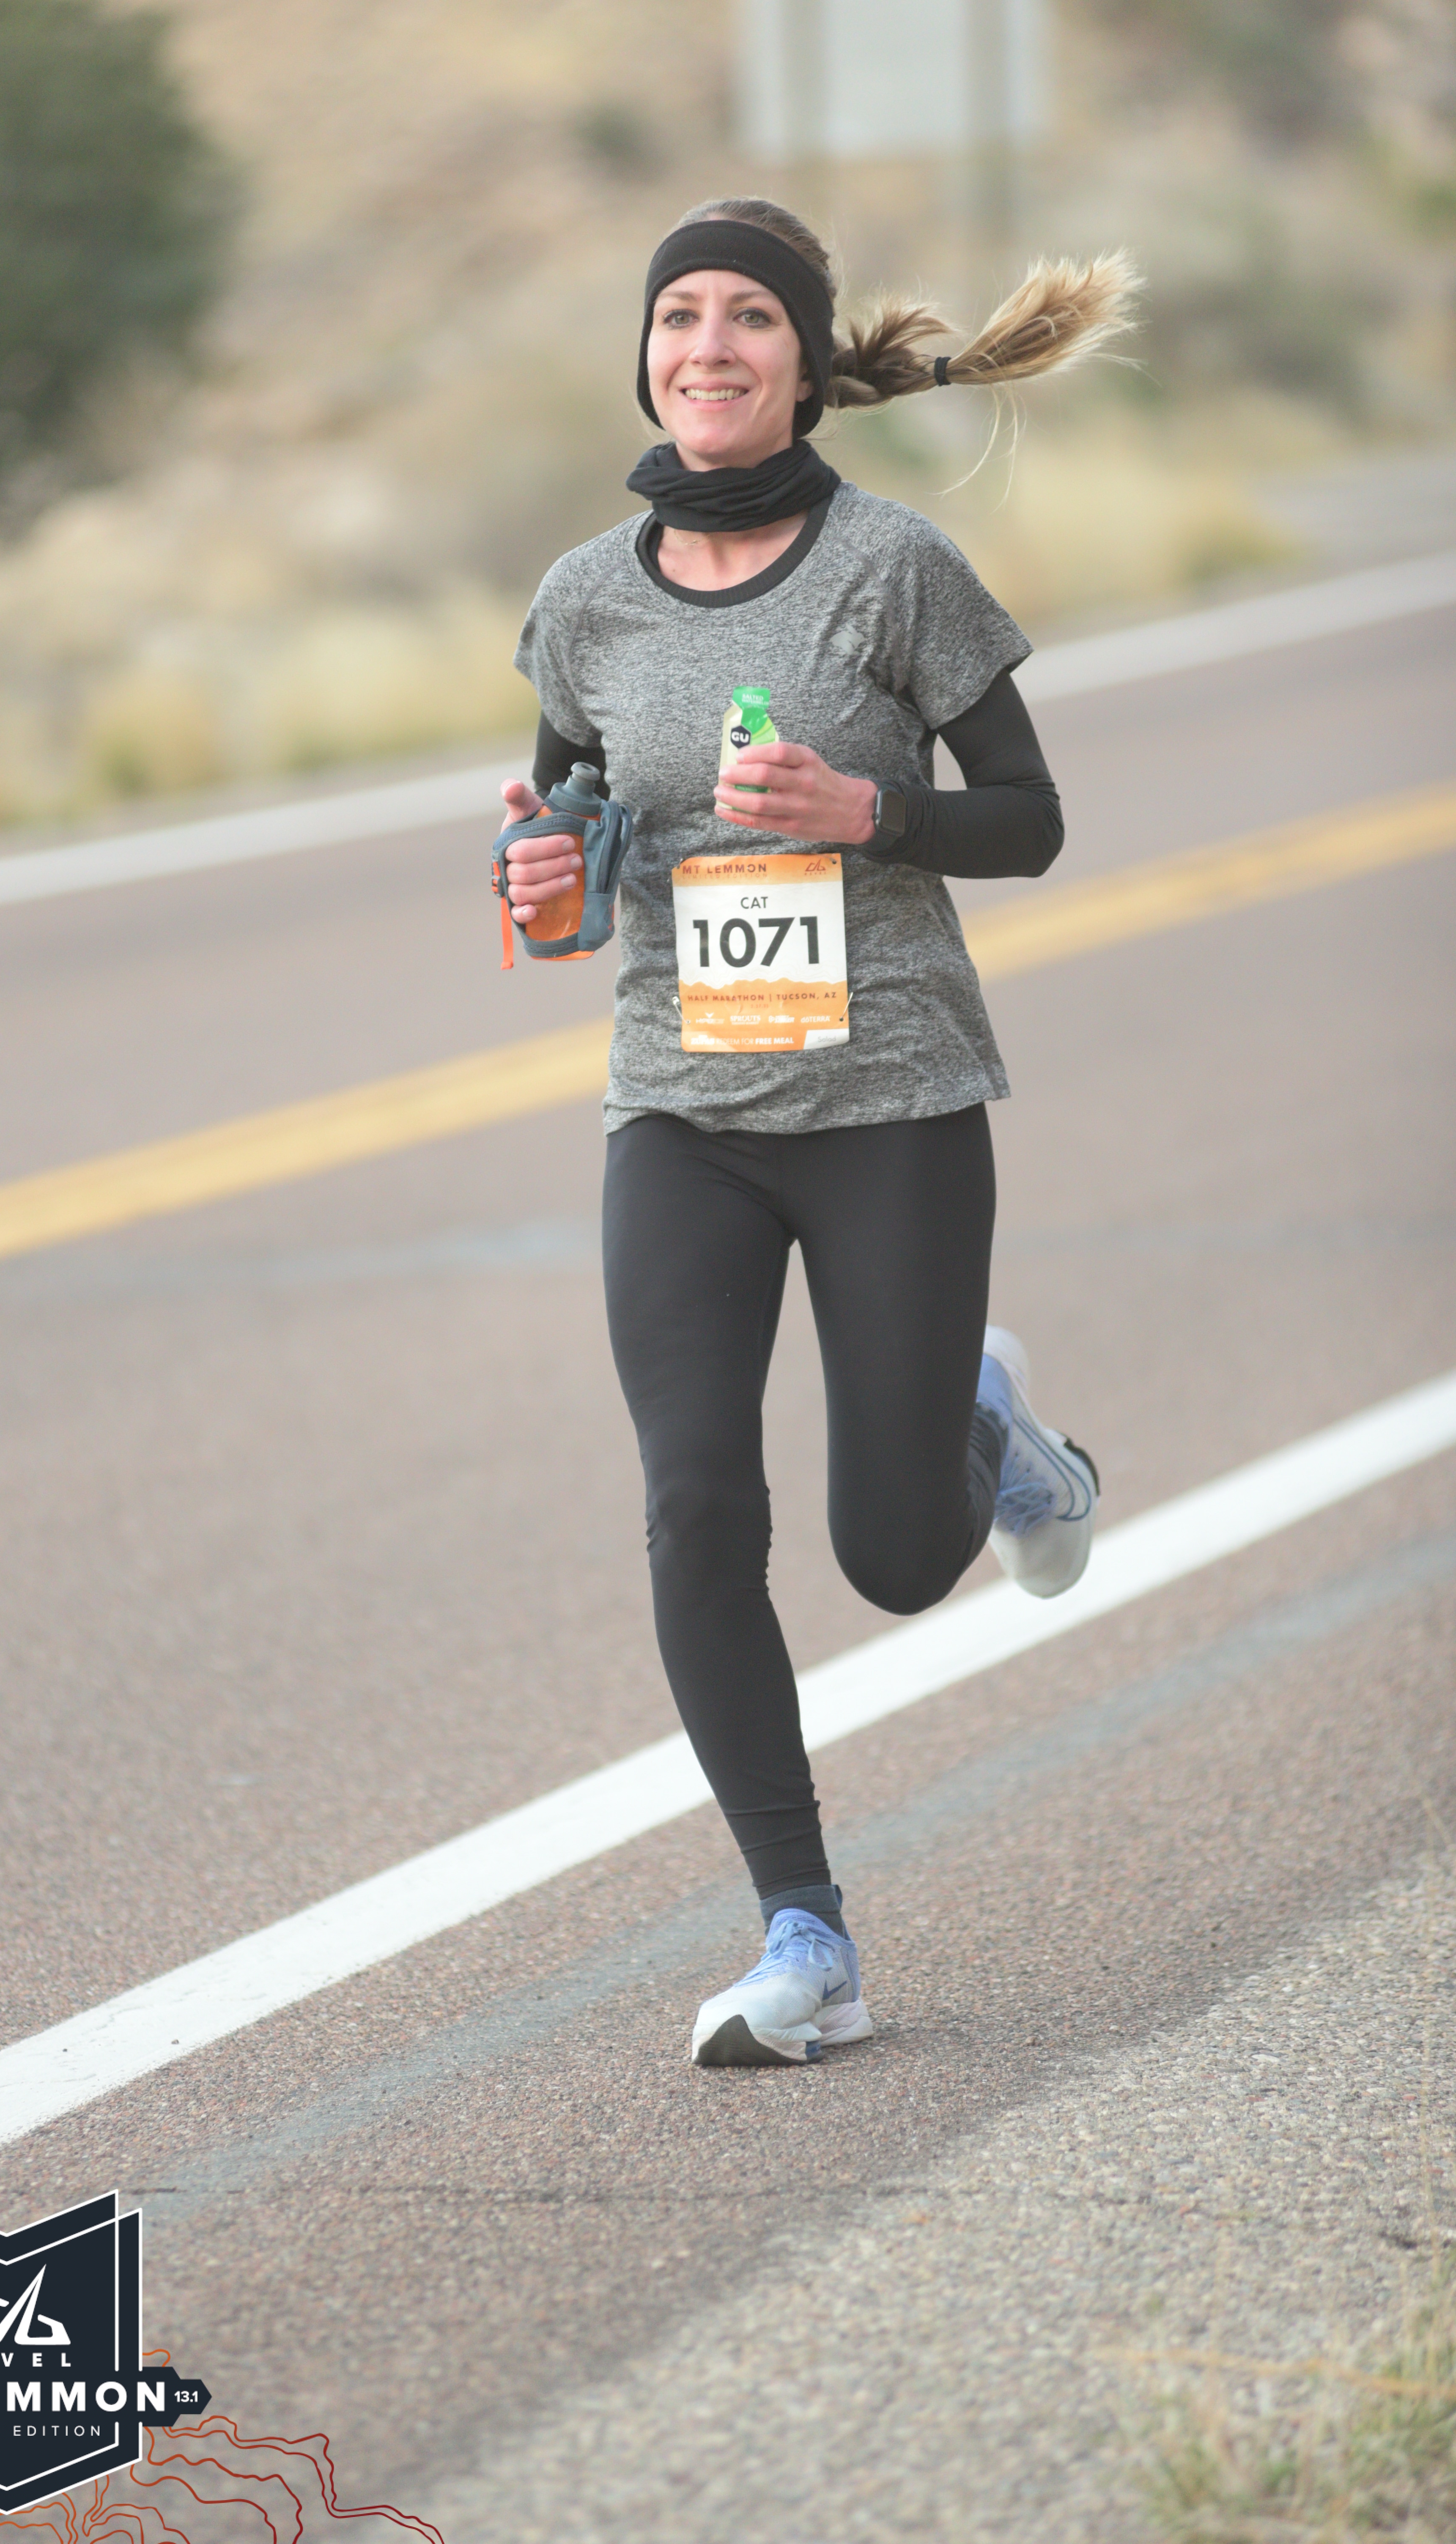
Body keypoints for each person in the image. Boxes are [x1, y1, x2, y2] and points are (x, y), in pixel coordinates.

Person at [500, 198, 1135, 2068]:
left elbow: (1028, 817)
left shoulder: (894, 567)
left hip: (890, 1104)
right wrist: (542, 885)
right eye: (678, 316)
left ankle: (989, 1430)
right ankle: (806, 1935)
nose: (707, 345)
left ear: (802, 361)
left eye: (747, 319)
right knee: (695, 1506)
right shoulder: (582, 600)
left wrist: (870, 813)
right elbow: (562, 842)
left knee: (892, 1556)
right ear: (646, 357)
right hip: (679, 1113)